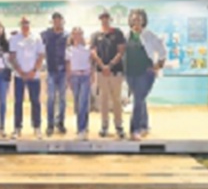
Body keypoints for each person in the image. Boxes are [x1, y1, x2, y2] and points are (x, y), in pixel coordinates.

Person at [124, 8, 166, 141]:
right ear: (130, 20)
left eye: (139, 19)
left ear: (143, 21)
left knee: (138, 100)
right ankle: (144, 125)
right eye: (134, 19)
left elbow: (162, 51)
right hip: (130, 73)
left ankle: (135, 130)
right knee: (140, 99)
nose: (136, 21)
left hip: (145, 74)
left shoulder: (149, 35)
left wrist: (158, 66)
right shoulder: (127, 36)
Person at [90, 10, 126, 139]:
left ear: (110, 19)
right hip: (101, 73)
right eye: (102, 18)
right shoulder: (96, 35)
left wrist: (110, 66)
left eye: (106, 18)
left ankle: (119, 126)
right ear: (100, 20)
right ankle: (104, 125)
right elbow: (93, 53)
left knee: (116, 100)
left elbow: (121, 51)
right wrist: (102, 66)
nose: (104, 20)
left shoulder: (117, 33)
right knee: (103, 100)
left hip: (116, 71)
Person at [8, 17, 44, 140]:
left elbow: (41, 55)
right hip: (19, 76)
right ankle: (17, 128)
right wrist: (20, 72)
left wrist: (34, 71)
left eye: (27, 23)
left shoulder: (37, 37)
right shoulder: (14, 38)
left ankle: (37, 127)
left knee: (36, 102)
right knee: (18, 102)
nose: (25, 25)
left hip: (34, 76)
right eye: (23, 23)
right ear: (20, 25)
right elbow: (12, 57)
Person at [40, 11, 69, 136]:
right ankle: (50, 124)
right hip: (51, 70)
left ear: (62, 21)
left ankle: (60, 122)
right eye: (55, 20)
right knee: (51, 98)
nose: (57, 22)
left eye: (59, 20)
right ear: (52, 22)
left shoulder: (67, 35)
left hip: (63, 71)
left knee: (62, 99)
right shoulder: (46, 34)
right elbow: (39, 48)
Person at [66, 27, 92, 141]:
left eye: (79, 34)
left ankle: (81, 129)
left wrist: (92, 76)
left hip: (85, 77)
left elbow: (92, 62)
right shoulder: (69, 50)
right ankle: (84, 126)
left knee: (83, 103)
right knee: (78, 104)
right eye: (75, 34)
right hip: (75, 77)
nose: (77, 36)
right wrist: (69, 79)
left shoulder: (88, 48)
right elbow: (68, 65)